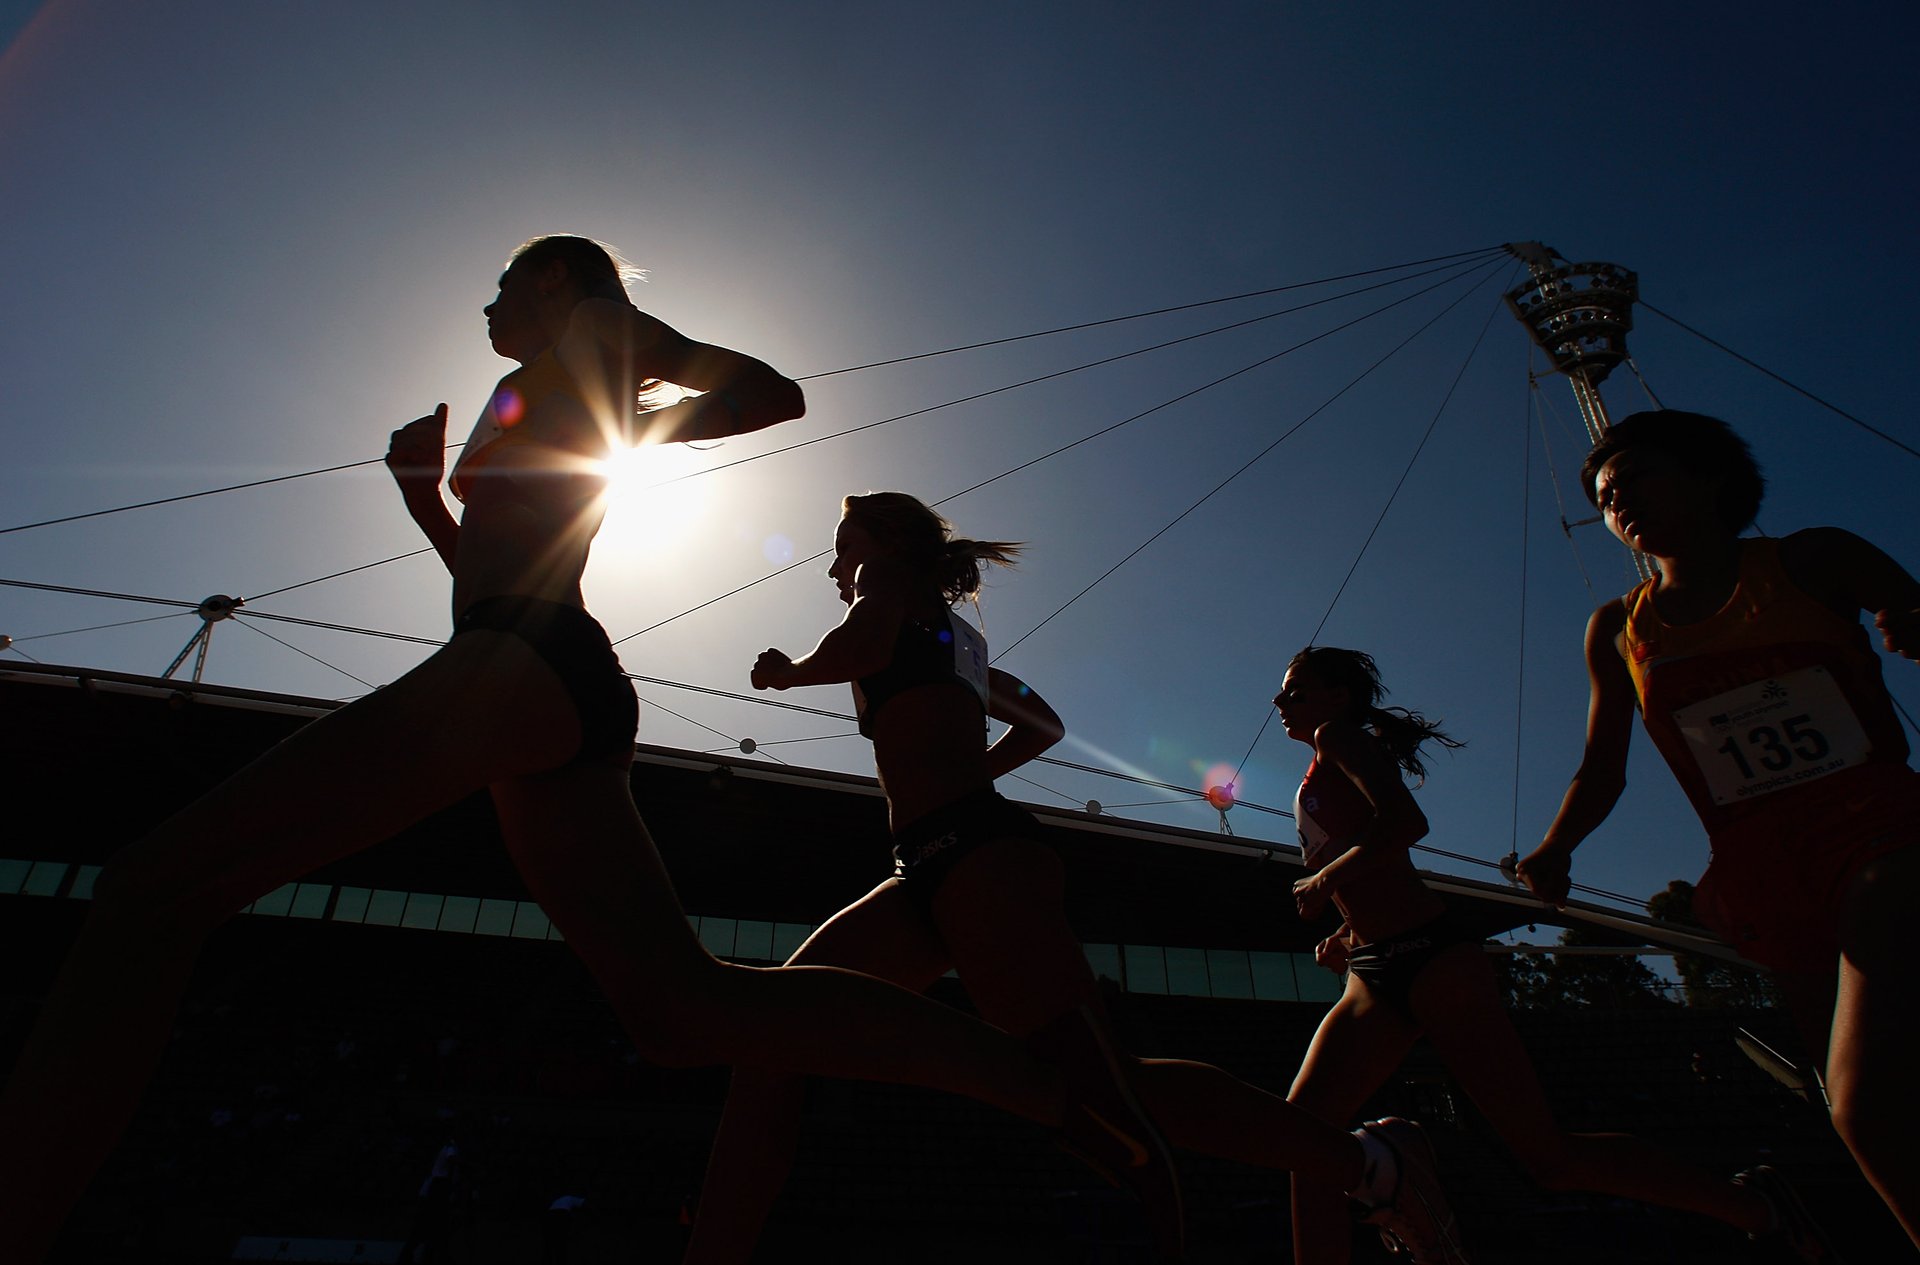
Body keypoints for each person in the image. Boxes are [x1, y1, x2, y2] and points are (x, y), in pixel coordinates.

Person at [0, 237, 1156, 1262]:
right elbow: (492, 567)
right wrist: (422, 499)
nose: (487, 306)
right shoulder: (523, 385)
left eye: (502, 283)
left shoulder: (599, 333)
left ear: (555, 277)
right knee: (680, 1011)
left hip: (534, 658)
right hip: (524, 660)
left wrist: (649, 423)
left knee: (152, 886)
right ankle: (1045, 1088)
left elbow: (773, 391)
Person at [685, 494, 1457, 1264]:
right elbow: (1043, 724)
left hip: (975, 858)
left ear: (884, 542)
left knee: (1102, 1091)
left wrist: (793, 671)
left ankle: (1372, 1166)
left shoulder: (883, 583)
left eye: (841, 546)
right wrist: (963, 775)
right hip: (933, 858)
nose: (834, 567)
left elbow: (862, 642)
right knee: (776, 1033)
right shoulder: (960, 643)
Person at [1277, 645, 1831, 1264]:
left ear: (1336, 697)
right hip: (1375, 965)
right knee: (1302, 1138)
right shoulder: (1320, 763)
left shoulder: (1339, 738)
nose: (1280, 703)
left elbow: (1405, 825)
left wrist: (1324, 884)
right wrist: (1349, 932)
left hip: (1431, 958)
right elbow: (1376, 865)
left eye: (1294, 691)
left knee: (1549, 1159)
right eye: (1281, 693)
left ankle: (1755, 1206)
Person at [1517, 408, 1920, 1249]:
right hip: (1768, 880)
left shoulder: (1814, 559)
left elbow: (1911, 606)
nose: (1616, 501)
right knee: (1860, 1106)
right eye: (1602, 496)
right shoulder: (1617, 629)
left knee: (1864, 1100)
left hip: (1880, 833)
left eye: (1635, 479)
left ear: (1707, 477)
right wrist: (1556, 847)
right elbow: (1603, 765)